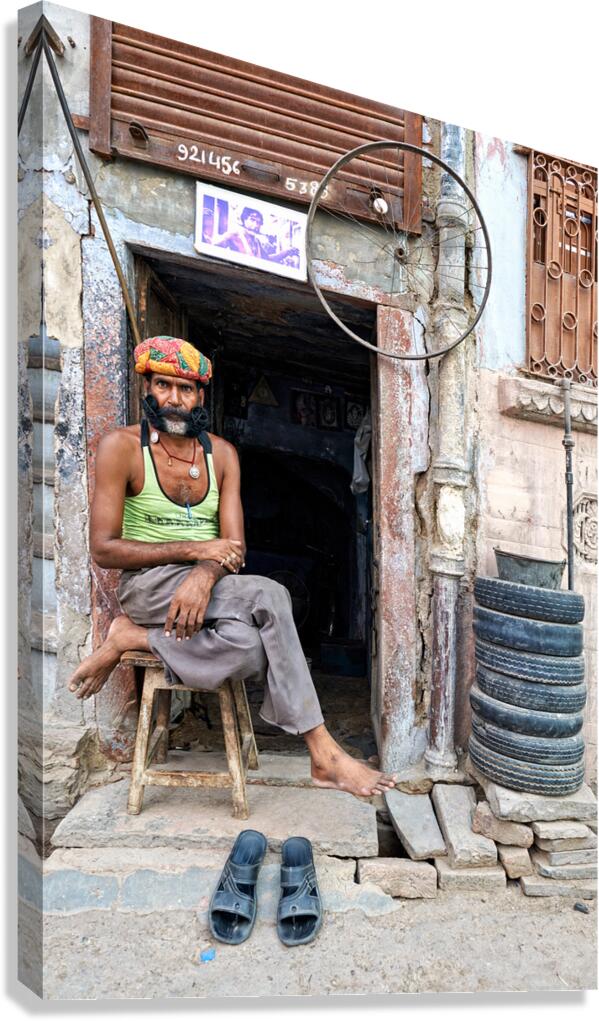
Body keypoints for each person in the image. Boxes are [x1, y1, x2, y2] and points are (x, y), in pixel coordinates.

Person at [68, 336, 397, 798]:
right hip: (146, 587)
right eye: (164, 386)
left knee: (248, 649)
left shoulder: (221, 455)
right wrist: (196, 553)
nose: (175, 400)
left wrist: (206, 573)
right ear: (148, 386)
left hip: (206, 585)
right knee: (271, 594)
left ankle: (132, 638)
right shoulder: (121, 448)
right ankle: (323, 754)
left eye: (186, 390)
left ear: (201, 396)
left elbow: (234, 547)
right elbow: (104, 549)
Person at [216, 207, 299, 265]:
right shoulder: (235, 234)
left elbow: (267, 260)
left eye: (259, 222)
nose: (256, 225)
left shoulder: (256, 241)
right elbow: (214, 246)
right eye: (252, 220)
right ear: (244, 219)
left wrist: (287, 251)